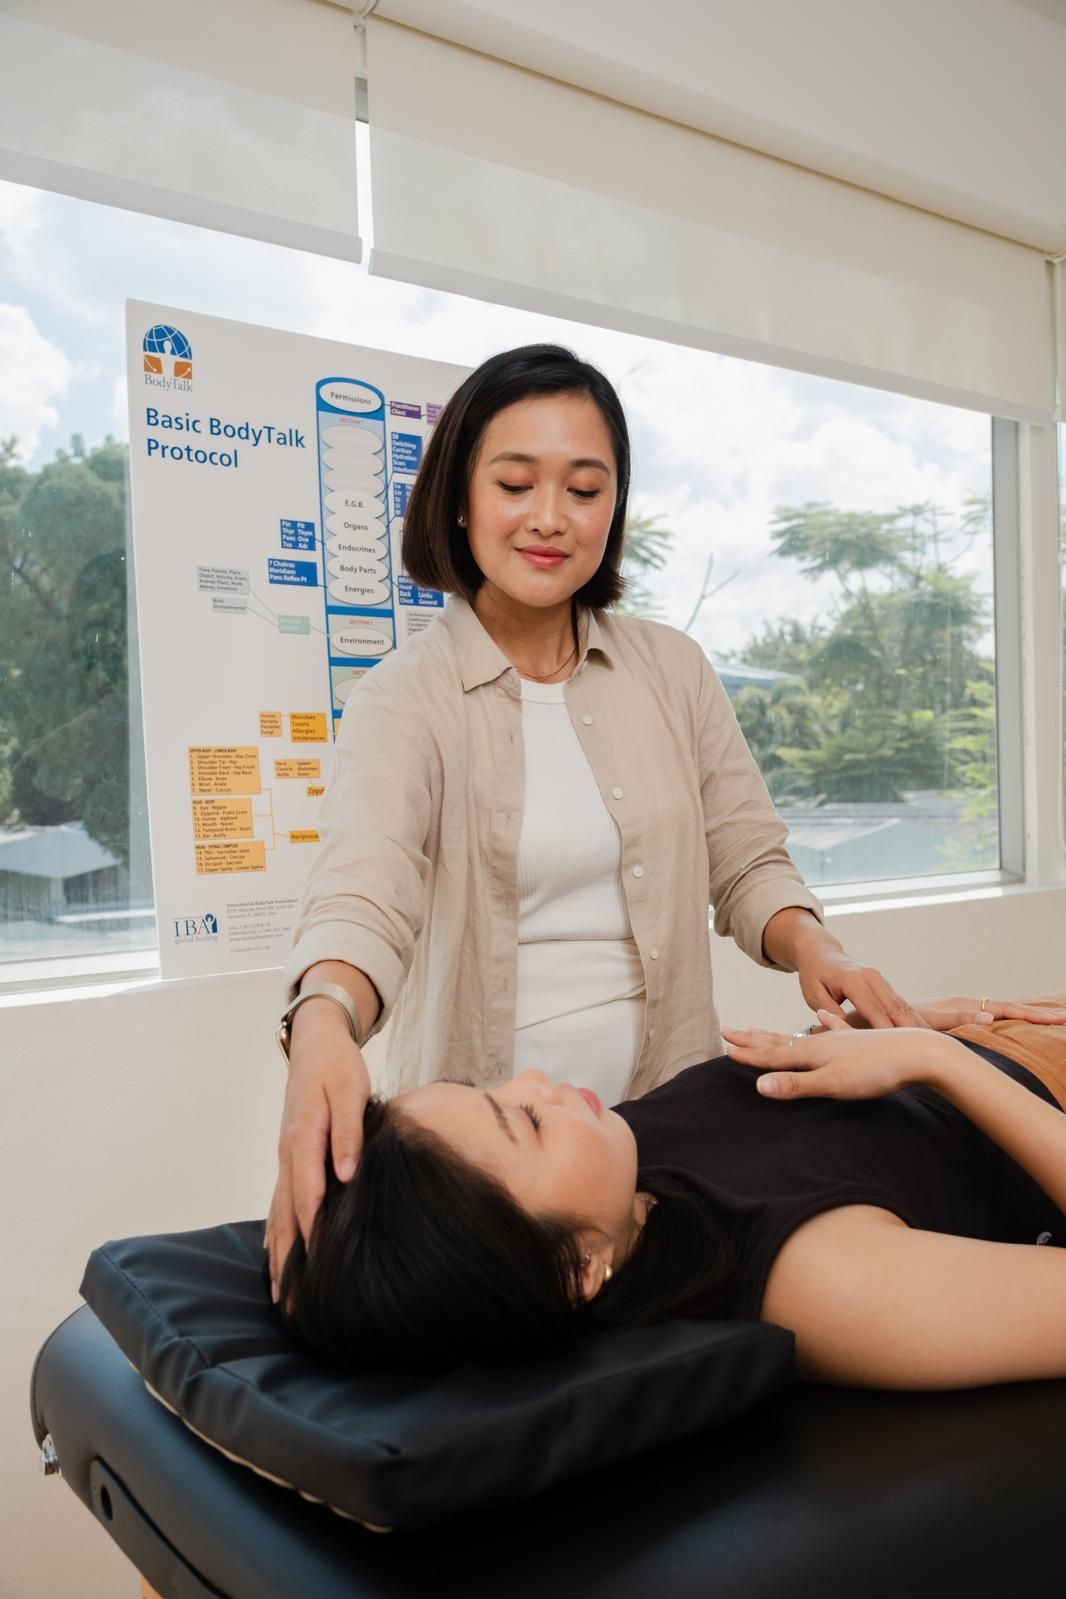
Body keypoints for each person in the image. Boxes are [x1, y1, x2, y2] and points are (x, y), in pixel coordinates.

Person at [268, 343, 928, 1300]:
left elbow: (745, 860)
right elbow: (365, 892)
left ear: (614, 508)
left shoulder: (673, 670)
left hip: (679, 1128)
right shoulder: (405, 697)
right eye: (515, 482)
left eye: (585, 488)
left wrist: (813, 946)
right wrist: (324, 1017)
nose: (549, 518)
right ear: (460, 497)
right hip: (505, 1181)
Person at [279, 994, 1066, 1388]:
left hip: (993, 1028)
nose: (539, 1081)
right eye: (526, 1121)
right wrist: (936, 1058)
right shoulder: (822, 1281)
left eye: (498, 1085)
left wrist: (925, 1030)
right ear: (575, 1272)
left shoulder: (624, 1168)